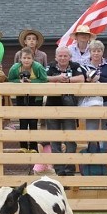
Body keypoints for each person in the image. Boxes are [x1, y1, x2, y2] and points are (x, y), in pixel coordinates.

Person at [45, 46, 86, 176]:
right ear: (56, 57)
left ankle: (70, 168)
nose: (62, 58)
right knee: (54, 139)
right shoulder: (50, 67)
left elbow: (81, 78)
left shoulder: (75, 66)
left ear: (69, 57)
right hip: (52, 106)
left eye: (65, 56)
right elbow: (44, 79)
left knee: (70, 139)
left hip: (70, 108)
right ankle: (59, 169)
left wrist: (67, 80)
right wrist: (58, 78)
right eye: (60, 56)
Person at [8, 48, 47, 155]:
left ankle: (33, 147)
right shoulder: (15, 68)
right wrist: (19, 82)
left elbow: (44, 79)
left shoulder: (38, 67)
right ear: (20, 58)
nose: (26, 60)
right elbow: (10, 80)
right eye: (24, 58)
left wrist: (32, 82)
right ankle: (23, 146)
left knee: (33, 122)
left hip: (36, 97)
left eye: (29, 58)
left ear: (33, 59)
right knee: (23, 122)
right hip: (21, 96)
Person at [87, 39, 107, 153]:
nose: (96, 53)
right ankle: (93, 165)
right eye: (94, 51)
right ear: (90, 52)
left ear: (102, 52)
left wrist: (99, 78)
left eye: (98, 51)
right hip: (91, 102)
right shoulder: (85, 65)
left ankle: (105, 165)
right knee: (91, 132)